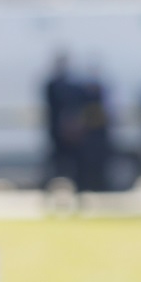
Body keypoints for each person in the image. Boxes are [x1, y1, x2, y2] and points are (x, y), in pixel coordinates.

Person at [41, 53, 82, 187]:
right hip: (57, 132)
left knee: (72, 163)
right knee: (56, 164)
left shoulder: (69, 84)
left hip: (68, 132)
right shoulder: (53, 85)